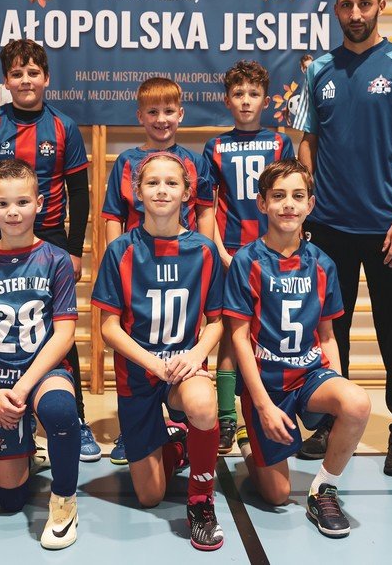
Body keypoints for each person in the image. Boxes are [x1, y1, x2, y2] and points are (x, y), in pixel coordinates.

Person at [292, 0, 392, 476]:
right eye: (346, 5)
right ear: (336, 9)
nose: (355, 13)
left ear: (381, 5)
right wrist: (308, 208)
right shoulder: (318, 70)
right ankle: (330, 421)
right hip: (328, 228)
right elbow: (307, 142)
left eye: (364, 3)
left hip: (388, 230)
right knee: (329, 331)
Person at [0, 39, 100, 461]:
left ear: (46, 78)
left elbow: (79, 192)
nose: (26, 80)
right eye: (17, 73)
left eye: (33, 73)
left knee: (60, 330)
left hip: (51, 239)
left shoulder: (63, 127)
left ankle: (74, 419)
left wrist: (75, 249)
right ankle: (8, 409)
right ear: (5, 81)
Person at [224, 159, 371, 538]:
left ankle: (324, 490)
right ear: (262, 203)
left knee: (356, 403)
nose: (288, 204)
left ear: (310, 204)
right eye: (278, 196)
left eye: (297, 196)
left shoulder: (322, 264)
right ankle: (249, 441)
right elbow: (239, 338)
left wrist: (337, 388)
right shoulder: (246, 262)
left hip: (309, 377)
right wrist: (262, 406)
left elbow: (327, 336)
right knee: (276, 495)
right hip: (267, 386)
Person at [92, 152, 226, 552]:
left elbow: (217, 321)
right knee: (149, 496)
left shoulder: (204, 251)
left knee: (203, 404)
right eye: (152, 183)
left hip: (183, 368)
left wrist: (195, 356)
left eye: (172, 183)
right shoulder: (120, 251)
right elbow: (108, 328)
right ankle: (178, 444)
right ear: (138, 192)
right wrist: (154, 362)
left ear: (187, 193)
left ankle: (201, 502)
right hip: (137, 372)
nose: (162, 190)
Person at [0, 159, 82, 550]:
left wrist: (26, 386)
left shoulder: (56, 260)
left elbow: (65, 333)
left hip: (43, 373)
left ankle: (64, 501)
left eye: (22, 202)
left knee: (60, 411)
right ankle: (26, 449)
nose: (13, 212)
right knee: (10, 501)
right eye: (3, 203)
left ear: (39, 203)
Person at [101, 76, 215, 465]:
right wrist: (115, 259)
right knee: (147, 493)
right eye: (153, 111)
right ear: (140, 116)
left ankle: (187, 425)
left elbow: (205, 213)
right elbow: (113, 217)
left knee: (195, 388)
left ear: (181, 114)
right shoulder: (126, 163)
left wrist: (201, 257)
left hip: (181, 262)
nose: (161, 119)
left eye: (169, 111)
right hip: (139, 266)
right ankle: (145, 433)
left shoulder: (195, 162)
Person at [202, 60, 295, 454]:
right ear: (227, 100)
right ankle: (227, 419)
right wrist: (220, 252)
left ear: (265, 101)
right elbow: (207, 207)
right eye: (238, 94)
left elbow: (289, 200)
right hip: (230, 254)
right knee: (229, 335)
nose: (245, 101)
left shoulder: (280, 143)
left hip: (270, 255)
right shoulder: (215, 147)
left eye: (253, 94)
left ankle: (258, 415)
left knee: (265, 335)